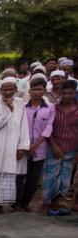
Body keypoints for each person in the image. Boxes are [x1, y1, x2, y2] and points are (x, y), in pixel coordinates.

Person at [0, 77, 30, 213]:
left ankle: (4, 202)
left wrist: (22, 146)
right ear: (1, 90)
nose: (8, 92)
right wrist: (8, 110)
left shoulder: (21, 103)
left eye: (11, 89)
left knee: (9, 171)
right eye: (5, 90)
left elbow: (24, 126)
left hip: (14, 143)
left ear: (16, 90)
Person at [15, 78, 54, 212]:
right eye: (34, 89)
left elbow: (48, 128)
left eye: (39, 89)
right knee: (19, 177)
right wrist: (25, 146)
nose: (36, 92)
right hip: (22, 148)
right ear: (29, 90)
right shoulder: (22, 107)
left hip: (39, 148)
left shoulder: (50, 108)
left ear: (44, 90)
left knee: (33, 178)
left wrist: (34, 145)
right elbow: (18, 127)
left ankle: (26, 203)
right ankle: (16, 203)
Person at [43, 79, 78, 214]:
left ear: (75, 93)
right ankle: (46, 204)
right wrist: (53, 145)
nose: (67, 96)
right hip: (54, 148)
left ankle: (55, 203)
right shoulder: (53, 108)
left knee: (64, 180)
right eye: (64, 93)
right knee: (51, 178)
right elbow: (48, 129)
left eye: (70, 93)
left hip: (71, 149)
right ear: (60, 93)